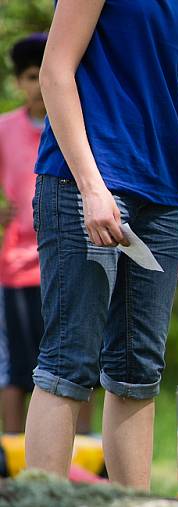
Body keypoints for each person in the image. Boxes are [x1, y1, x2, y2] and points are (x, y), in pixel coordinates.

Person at [24, 0, 178, 490]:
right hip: (83, 185)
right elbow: (54, 73)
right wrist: (91, 188)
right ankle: (41, 503)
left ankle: (135, 502)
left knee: (138, 371)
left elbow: (161, 100)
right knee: (69, 363)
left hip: (161, 197)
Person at [0, 33, 96, 436]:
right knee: (18, 367)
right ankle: (12, 448)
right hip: (18, 266)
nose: (39, 86)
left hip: (74, 255)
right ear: (19, 82)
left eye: (46, 74)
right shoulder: (4, 129)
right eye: (31, 76)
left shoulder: (79, 124)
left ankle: (87, 449)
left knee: (83, 358)